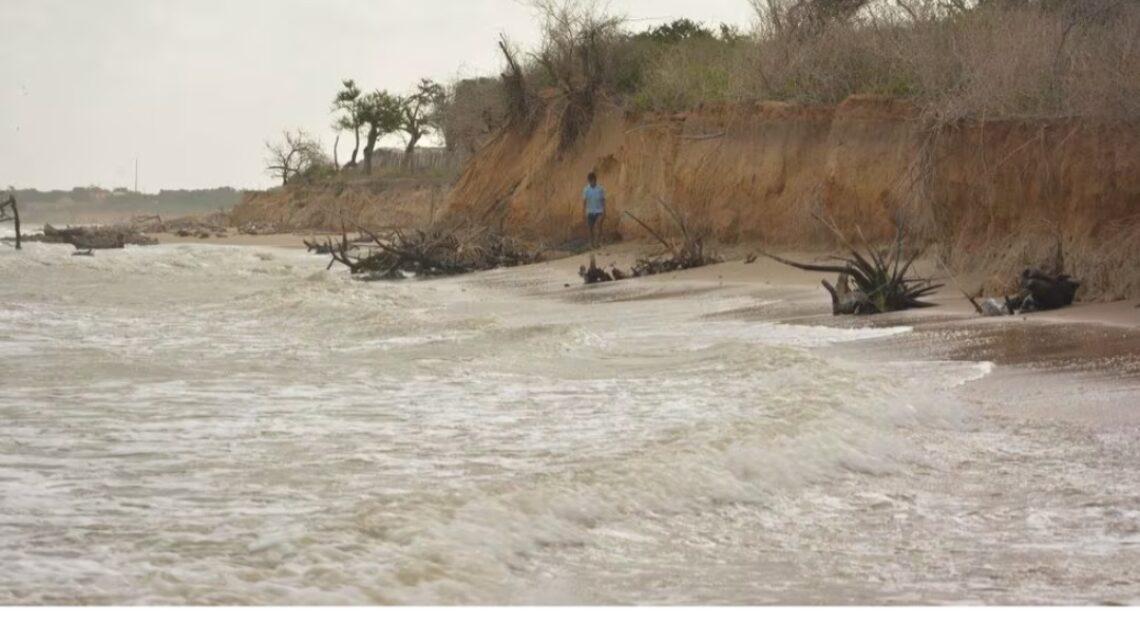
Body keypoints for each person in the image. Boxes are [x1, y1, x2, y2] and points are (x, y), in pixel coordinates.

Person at [582, 172, 606, 249]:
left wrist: (604, 211)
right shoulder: (586, 189)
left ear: (595, 180)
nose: (591, 182)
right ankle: (591, 243)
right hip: (590, 211)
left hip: (599, 211)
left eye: (592, 180)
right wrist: (583, 212)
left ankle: (597, 243)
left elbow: (603, 200)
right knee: (590, 228)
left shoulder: (600, 189)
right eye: (590, 181)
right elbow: (584, 201)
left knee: (598, 225)